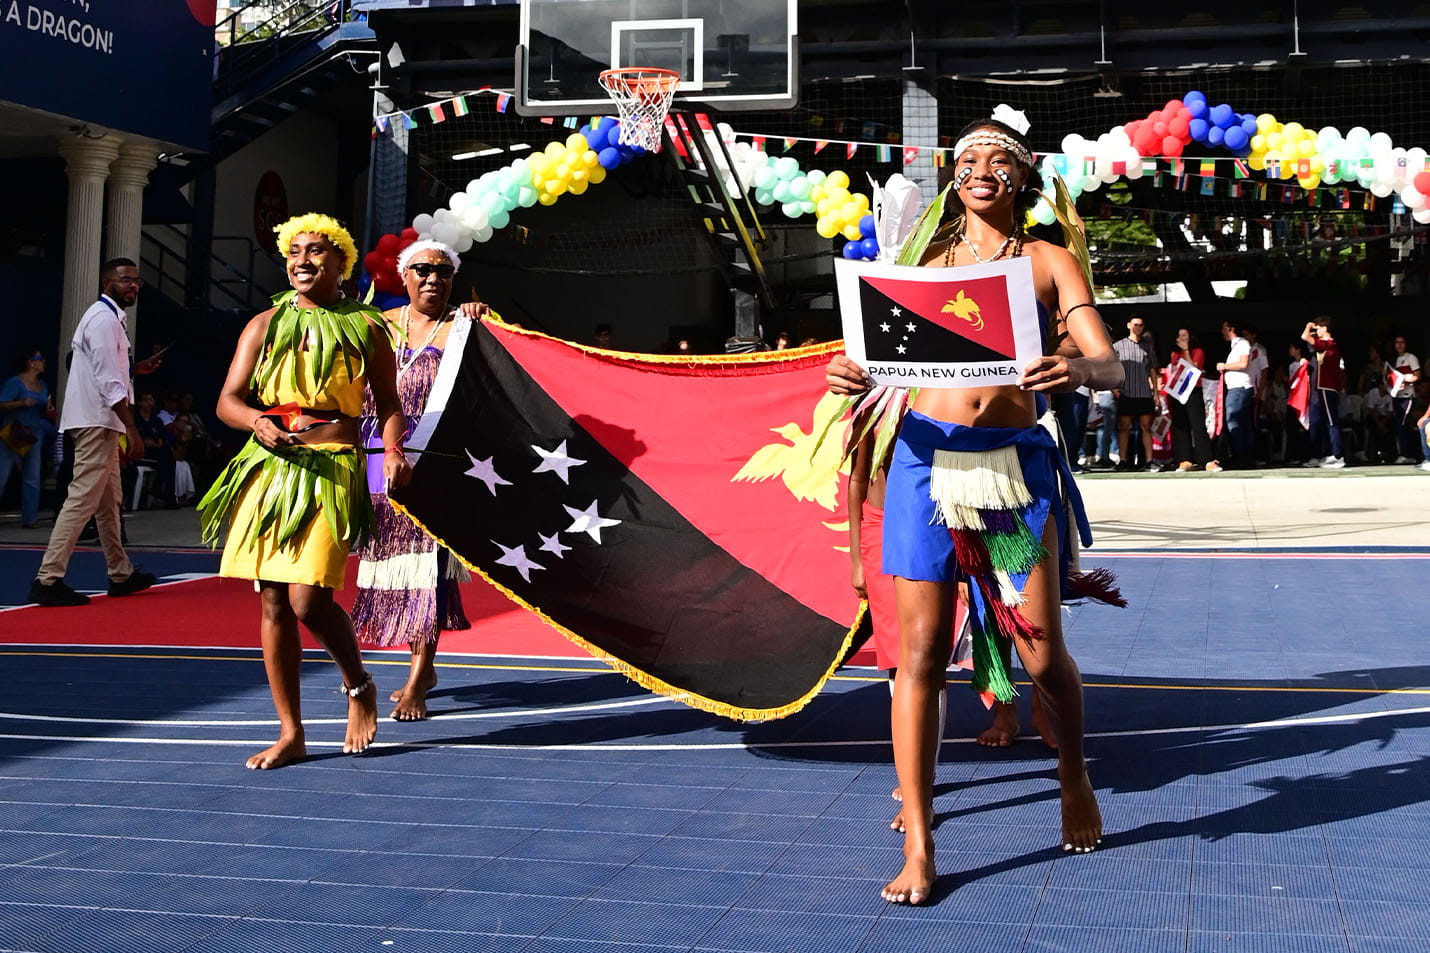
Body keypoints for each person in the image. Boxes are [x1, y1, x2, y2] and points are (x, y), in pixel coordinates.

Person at [826, 111, 1121, 904]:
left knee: (1040, 655)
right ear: (953, 177)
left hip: (1013, 471)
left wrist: (1076, 369)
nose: (981, 167)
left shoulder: (1049, 261)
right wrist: (848, 373)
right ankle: (921, 842)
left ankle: (1072, 771)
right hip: (924, 465)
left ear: (1023, 175)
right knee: (920, 656)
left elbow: (1109, 363)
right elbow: (867, 359)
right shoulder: (920, 261)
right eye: (968, 157)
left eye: (999, 157)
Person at [198, 213, 411, 769]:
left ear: (341, 262)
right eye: (294, 252)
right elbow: (228, 401)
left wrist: (393, 450)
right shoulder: (264, 324)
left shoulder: (366, 327)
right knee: (273, 599)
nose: (303, 260)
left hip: (332, 468)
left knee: (308, 599)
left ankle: (357, 684)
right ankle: (291, 732)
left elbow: (389, 403)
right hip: (270, 469)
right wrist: (256, 421)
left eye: (316, 250)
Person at [352, 240, 484, 721]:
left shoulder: (465, 327)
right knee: (398, 565)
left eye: (443, 272)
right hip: (378, 457)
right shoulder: (377, 324)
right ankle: (422, 668)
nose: (433, 278)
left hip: (437, 462)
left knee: (430, 570)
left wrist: (481, 319)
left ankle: (417, 677)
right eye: (423, 269)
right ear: (404, 275)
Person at [28, 259, 156, 606]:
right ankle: (47, 578)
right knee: (83, 498)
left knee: (108, 501)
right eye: (125, 279)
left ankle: (120, 573)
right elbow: (107, 380)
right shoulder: (103, 320)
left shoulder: (108, 318)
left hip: (99, 420)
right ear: (106, 282)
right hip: (98, 420)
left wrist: (136, 368)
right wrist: (132, 428)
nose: (133, 285)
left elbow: (102, 370)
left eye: (137, 280)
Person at [0, 348, 54, 527]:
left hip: (34, 432)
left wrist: (48, 409)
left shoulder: (42, 384)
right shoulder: (15, 383)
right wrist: (21, 402)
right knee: (2, 474)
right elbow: (2, 403)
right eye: (40, 359)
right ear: (31, 363)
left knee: (32, 476)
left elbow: (44, 406)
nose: (43, 362)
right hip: (14, 430)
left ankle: (30, 518)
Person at [1206, 320, 1255, 472]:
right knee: (1243, 422)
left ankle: (1240, 456)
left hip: (1239, 388)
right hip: (1236, 388)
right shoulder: (1235, 346)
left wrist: (1225, 366)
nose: (1222, 332)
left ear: (1231, 329)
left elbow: (1243, 363)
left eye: (1224, 329)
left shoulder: (1242, 343)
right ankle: (1246, 456)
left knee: (1233, 420)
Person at [1112, 316, 1158, 471]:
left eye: (1141, 325)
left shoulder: (1147, 346)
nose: (1138, 327)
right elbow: (1111, 367)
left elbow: (1153, 369)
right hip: (1126, 392)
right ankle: (1123, 460)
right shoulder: (1118, 346)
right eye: (1136, 324)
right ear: (1128, 325)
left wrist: (1156, 393)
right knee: (1124, 427)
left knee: (1146, 427)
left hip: (1144, 392)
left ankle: (1149, 460)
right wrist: (1113, 387)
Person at [1164, 329, 1211, 472]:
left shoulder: (1198, 351)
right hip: (1178, 391)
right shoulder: (1174, 354)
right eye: (1179, 336)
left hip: (1193, 390)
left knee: (1197, 425)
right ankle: (1184, 460)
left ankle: (1205, 459)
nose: (1182, 338)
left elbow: (1194, 368)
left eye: (1184, 335)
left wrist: (1186, 351)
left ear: (1191, 337)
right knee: (1181, 425)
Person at [1301, 316, 1345, 469]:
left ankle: (1338, 456)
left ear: (1325, 329)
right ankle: (1330, 453)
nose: (1317, 331)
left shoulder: (1328, 344)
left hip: (1327, 386)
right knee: (1326, 421)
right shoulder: (1326, 345)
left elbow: (1305, 336)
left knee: (1332, 421)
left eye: (1319, 328)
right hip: (1324, 387)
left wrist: (1309, 326)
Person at [1388, 334, 1422, 463]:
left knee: (1402, 424)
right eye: (1397, 342)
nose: (1399, 345)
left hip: (1407, 396)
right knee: (1400, 425)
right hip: (1396, 395)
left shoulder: (1411, 358)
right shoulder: (1394, 360)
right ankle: (1405, 454)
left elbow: (1418, 376)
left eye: (1402, 342)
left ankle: (1407, 454)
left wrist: (1406, 381)